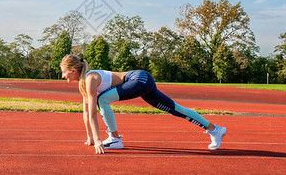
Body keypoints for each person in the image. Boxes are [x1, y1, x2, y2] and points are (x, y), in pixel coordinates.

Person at [60, 54, 227, 155]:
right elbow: (86, 113)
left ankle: (115, 138)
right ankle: (215, 129)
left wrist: (98, 140)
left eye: (63, 71)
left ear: (73, 70)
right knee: (176, 110)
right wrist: (90, 137)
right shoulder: (84, 83)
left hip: (138, 79)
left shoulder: (90, 79)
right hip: (143, 80)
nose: (62, 75)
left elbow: (93, 113)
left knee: (102, 99)